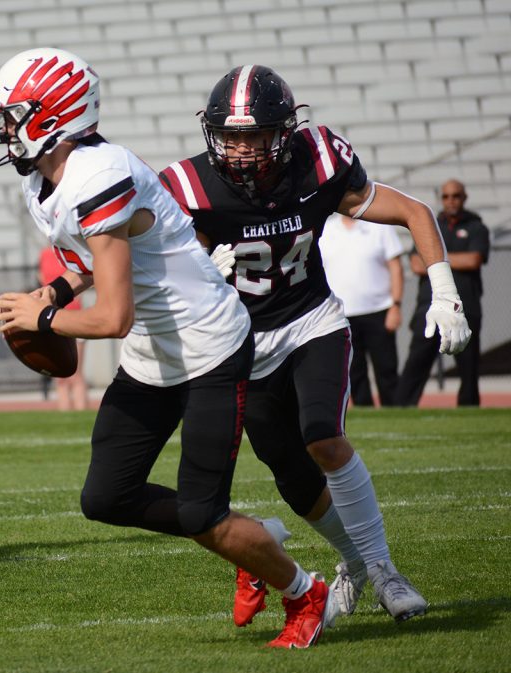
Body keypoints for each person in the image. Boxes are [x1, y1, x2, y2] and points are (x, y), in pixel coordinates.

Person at [0, 48, 332, 649]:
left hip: (208, 347)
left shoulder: (98, 176)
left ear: (54, 116)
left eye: (12, 116)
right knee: (106, 497)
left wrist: (43, 315)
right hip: (154, 350)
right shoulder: (47, 184)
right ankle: (254, 538)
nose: (2, 130)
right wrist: (55, 290)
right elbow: (92, 264)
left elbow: (114, 317)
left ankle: (304, 591)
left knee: (201, 514)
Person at [159, 64, 472, 625]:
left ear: (283, 133)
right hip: (240, 341)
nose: (239, 149)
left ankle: (384, 571)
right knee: (289, 471)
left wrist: (444, 291)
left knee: (323, 437)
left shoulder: (320, 158)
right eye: (228, 136)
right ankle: (352, 561)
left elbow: (412, 212)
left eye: (253, 136)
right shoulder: (190, 185)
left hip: (312, 319)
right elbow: (159, 271)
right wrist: (200, 268)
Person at [397, 179, 489, 407]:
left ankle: (469, 414)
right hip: (428, 309)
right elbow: (416, 264)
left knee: (468, 370)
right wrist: (454, 260)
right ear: (441, 199)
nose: (451, 201)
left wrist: (436, 261)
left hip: (464, 309)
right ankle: (401, 410)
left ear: (464, 198)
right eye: (446, 196)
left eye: (456, 196)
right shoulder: (430, 225)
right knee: (415, 365)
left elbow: (474, 259)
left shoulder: (476, 227)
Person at [319, 213, 405, 406]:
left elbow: (396, 267)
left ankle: (395, 413)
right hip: (340, 314)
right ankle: (365, 412)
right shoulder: (326, 228)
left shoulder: (380, 225)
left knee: (386, 368)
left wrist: (396, 305)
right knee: (354, 372)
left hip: (379, 310)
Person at [37, 245, 88, 410]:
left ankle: (81, 414)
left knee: (76, 374)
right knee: (60, 377)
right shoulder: (45, 254)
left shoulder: (72, 251)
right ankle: (66, 412)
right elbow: (42, 280)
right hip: (52, 317)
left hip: (75, 316)